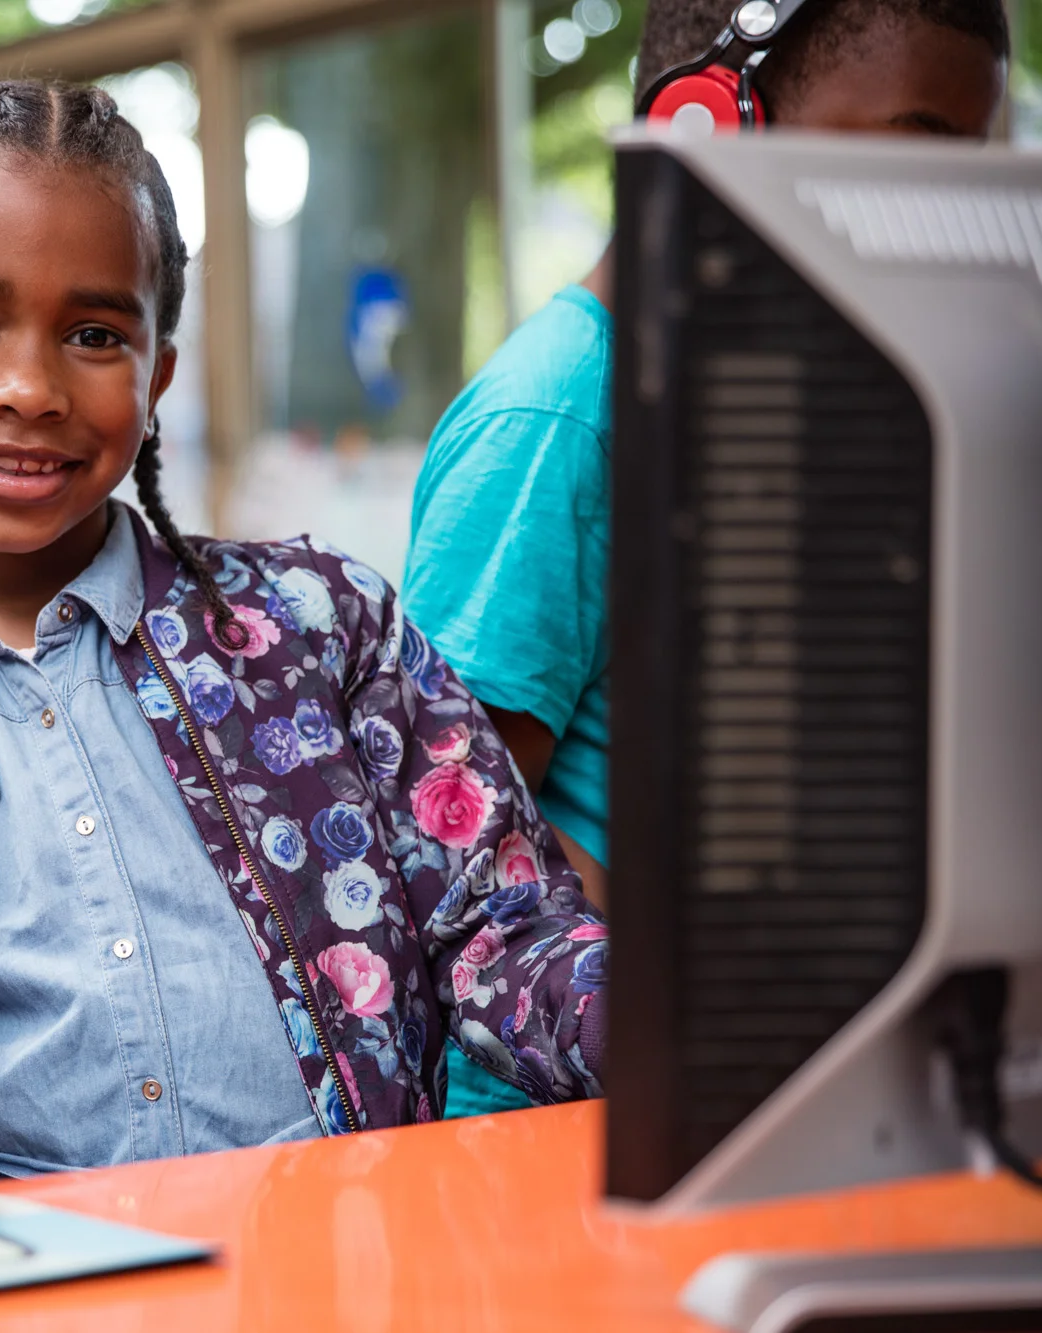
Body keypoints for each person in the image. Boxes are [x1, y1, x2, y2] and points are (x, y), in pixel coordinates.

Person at [0, 79, 607, 1179]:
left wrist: (690, 1029)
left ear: (156, 380)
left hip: (349, 1249)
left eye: (93, 334)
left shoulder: (321, 626)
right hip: (15, 1268)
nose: (28, 387)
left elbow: (502, 929)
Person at [400, 0, 1007, 1119]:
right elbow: (461, 837)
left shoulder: (774, 393)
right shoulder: (560, 413)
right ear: (707, 123)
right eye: (912, 159)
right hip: (566, 1114)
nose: (941, 217)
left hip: (763, 1072)